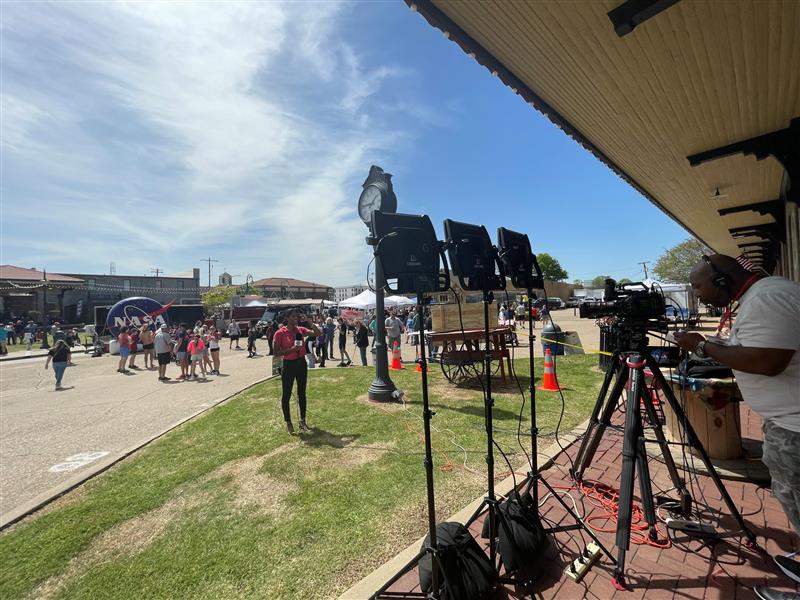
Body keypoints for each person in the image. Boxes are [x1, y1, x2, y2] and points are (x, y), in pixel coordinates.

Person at [674, 254, 800, 591]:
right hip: (787, 421)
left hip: (794, 427)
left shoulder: (766, 298)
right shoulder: (759, 297)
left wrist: (701, 345)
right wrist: (711, 347)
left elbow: (767, 360)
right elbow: (755, 348)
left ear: (720, 280)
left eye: (698, 286)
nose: (697, 294)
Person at [272, 309, 322, 434]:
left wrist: (309, 322)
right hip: (289, 365)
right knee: (287, 394)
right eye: (293, 317)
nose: (296, 319)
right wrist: (292, 349)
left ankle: (302, 420)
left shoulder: (300, 330)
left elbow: (318, 333)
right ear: (287, 318)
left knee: (302, 393)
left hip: (301, 363)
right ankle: (288, 422)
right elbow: (276, 352)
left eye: (297, 317)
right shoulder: (280, 333)